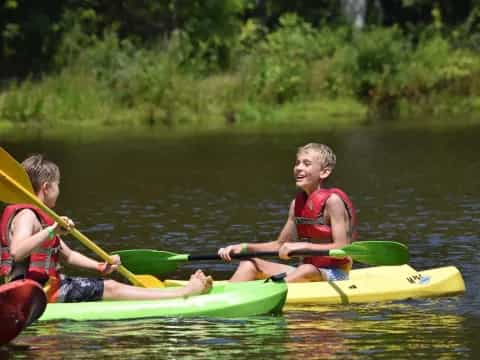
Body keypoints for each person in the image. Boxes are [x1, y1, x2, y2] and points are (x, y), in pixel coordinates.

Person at [0, 154, 212, 302]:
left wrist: (100, 266)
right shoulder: (27, 215)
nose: (59, 189)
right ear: (47, 187)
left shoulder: (44, 218)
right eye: (58, 184)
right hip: (31, 295)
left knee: (106, 281)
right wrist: (52, 230)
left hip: (46, 287)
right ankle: (185, 293)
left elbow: (69, 255)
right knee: (111, 287)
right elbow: (17, 251)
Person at [218, 143, 357, 283]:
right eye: (297, 163)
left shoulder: (333, 202)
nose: (299, 168)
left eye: (306, 164)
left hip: (336, 274)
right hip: (306, 270)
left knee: (306, 269)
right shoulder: (296, 205)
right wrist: (243, 247)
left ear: (324, 172)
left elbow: (342, 248)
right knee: (249, 263)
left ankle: (268, 290)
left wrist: (302, 246)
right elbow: (280, 245)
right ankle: (223, 298)